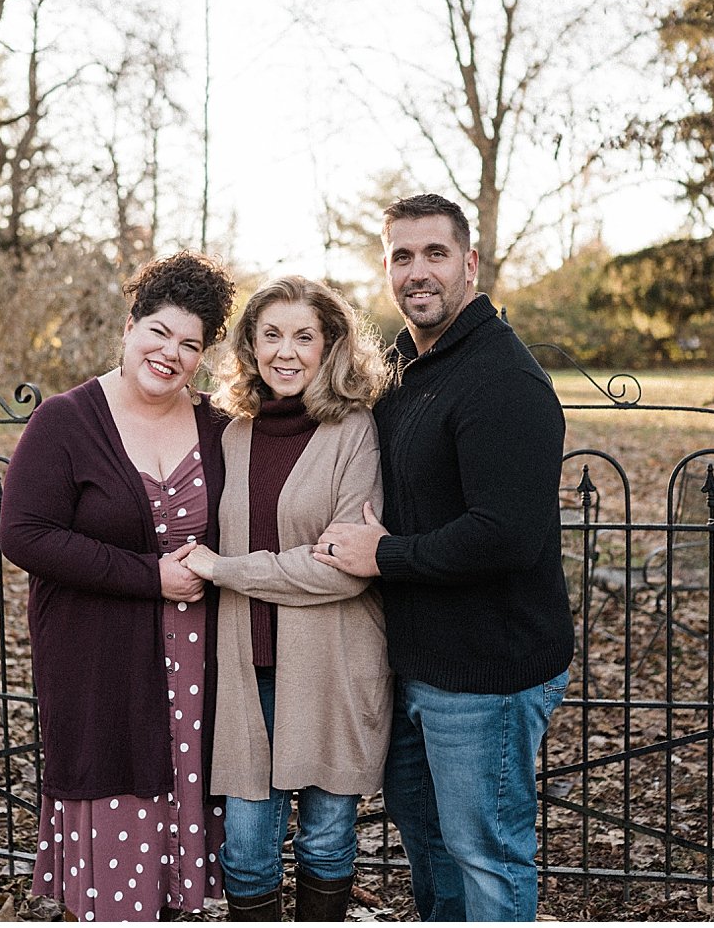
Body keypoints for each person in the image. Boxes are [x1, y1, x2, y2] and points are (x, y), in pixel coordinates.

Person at [315, 194, 574, 921]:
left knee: (485, 854)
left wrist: (385, 556)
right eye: (402, 256)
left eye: (434, 254)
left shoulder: (503, 381)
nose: (417, 272)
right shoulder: (400, 366)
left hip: (487, 670)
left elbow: (506, 535)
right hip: (414, 663)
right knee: (430, 848)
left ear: (470, 263)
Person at [0, 251, 237, 922]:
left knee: (186, 804)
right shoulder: (66, 422)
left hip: (199, 662)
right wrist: (151, 576)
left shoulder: (219, 425)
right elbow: (25, 535)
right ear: (129, 325)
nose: (171, 353)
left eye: (191, 343)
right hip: (101, 660)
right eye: (159, 331)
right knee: (120, 828)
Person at [181, 275, 391, 922]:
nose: (287, 352)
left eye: (305, 336)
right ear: (250, 343)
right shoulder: (231, 433)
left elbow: (345, 570)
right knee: (246, 850)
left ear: (330, 346)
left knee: (326, 840)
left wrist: (227, 570)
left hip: (333, 663)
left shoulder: (354, 431)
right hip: (248, 666)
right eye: (271, 334)